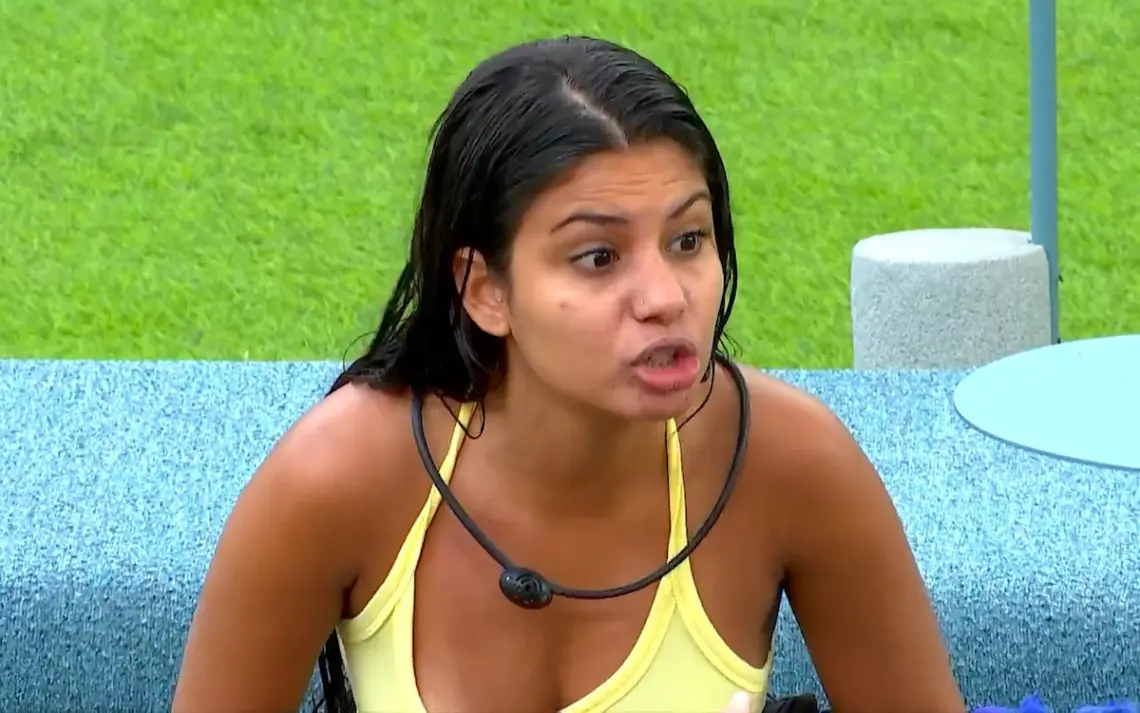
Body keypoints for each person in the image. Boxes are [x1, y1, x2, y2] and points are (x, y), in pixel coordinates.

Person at [172, 36, 964, 713]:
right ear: (484, 289)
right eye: (598, 257)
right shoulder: (338, 477)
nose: (664, 297)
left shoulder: (790, 463)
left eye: (688, 240)